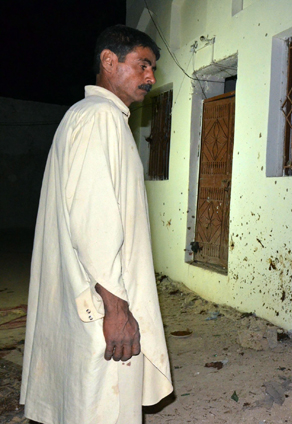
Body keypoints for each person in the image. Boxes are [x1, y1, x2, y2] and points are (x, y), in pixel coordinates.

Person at [20, 25, 173, 424]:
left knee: (82, 402)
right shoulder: (101, 118)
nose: (151, 77)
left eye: (152, 68)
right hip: (100, 306)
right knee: (101, 405)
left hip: (89, 300)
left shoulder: (88, 117)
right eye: (143, 65)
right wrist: (116, 309)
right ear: (109, 61)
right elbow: (95, 222)